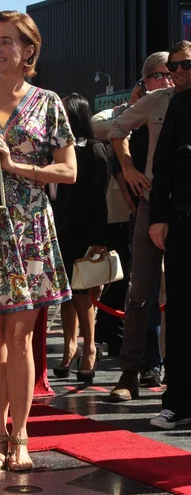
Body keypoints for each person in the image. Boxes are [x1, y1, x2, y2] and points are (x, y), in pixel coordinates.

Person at [0, 11, 76, 471]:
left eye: (7, 41)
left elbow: (69, 171)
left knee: (22, 334)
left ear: (29, 50)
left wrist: (17, 167)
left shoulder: (48, 102)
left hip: (31, 229)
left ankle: (22, 436)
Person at [108, 42, 191, 402]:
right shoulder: (159, 101)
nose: (177, 72)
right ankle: (129, 372)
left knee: (182, 295)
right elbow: (112, 128)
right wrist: (128, 170)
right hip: (151, 206)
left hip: (185, 208)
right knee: (140, 291)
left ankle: (178, 377)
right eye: (172, 67)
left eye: (185, 64)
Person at [52, 94, 108, 383]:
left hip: (82, 230)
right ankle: (69, 347)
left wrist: (99, 237)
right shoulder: (52, 148)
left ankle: (89, 349)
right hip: (55, 229)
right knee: (64, 294)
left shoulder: (94, 150)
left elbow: (100, 198)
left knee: (82, 292)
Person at [149, 88, 191, 429]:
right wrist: (158, 216)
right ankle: (178, 401)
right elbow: (162, 163)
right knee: (180, 313)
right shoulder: (182, 102)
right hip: (183, 220)